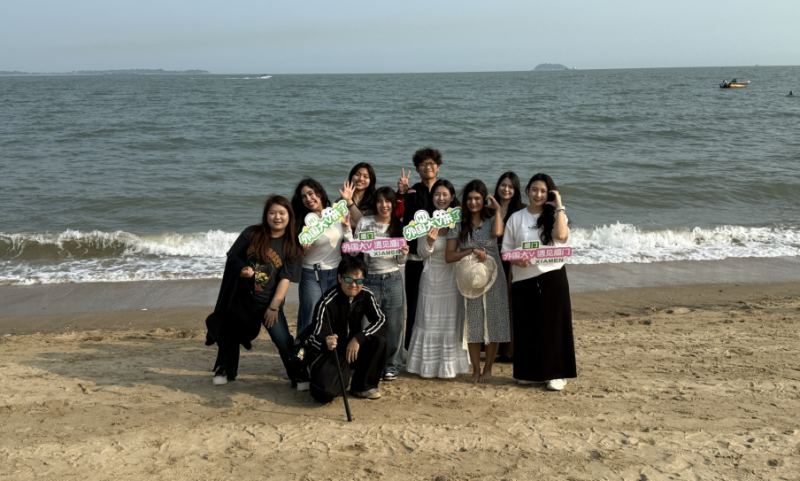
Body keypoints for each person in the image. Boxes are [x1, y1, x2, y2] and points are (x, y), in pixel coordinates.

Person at [207, 195, 306, 389]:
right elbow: (232, 256)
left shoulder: (292, 243)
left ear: (289, 215)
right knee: (229, 333)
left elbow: (285, 279)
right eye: (272, 212)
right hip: (243, 300)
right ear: (266, 214)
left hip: (269, 302)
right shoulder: (252, 233)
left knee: (283, 339)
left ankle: (298, 375)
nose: (277, 217)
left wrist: (274, 307)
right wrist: (242, 270)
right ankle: (224, 369)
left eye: (282, 213)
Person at [502, 173, 576, 392]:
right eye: (534, 189)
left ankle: (557, 374)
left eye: (543, 191)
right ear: (527, 191)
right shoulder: (516, 218)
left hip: (552, 275)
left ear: (549, 194)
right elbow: (506, 250)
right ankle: (529, 373)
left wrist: (559, 206)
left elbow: (561, 237)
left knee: (554, 325)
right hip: (523, 278)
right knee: (527, 325)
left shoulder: (555, 215)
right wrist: (516, 259)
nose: (538, 194)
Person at [445, 180, 510, 383]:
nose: (473, 202)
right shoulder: (458, 223)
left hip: (494, 277)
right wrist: (471, 251)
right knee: (472, 324)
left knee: (494, 322)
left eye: (477, 198)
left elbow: (498, 233)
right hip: (469, 279)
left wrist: (497, 210)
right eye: (470, 199)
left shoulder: (492, 220)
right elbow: (449, 256)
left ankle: (488, 369)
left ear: (484, 200)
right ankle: (475, 370)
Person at [406, 180, 470, 379]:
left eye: (445, 195)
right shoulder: (425, 221)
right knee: (427, 321)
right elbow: (422, 253)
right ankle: (426, 366)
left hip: (452, 280)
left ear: (452, 197)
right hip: (430, 278)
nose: (441, 198)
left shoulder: (458, 221)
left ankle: (449, 367)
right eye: (437, 194)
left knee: (450, 323)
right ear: (431, 197)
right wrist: (429, 242)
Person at [307, 256, 388, 402]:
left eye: (359, 281)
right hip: (333, 351)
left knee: (380, 341)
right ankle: (317, 375)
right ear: (340, 278)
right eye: (349, 280)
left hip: (354, 348)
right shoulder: (327, 301)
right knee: (326, 394)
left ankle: (363, 386)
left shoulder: (366, 295)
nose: (354, 285)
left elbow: (381, 321)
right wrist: (327, 341)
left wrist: (358, 338)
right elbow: (315, 336)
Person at [353, 187, 409, 382]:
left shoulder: (398, 225)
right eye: (380, 201)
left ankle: (392, 365)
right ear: (375, 203)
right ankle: (370, 363)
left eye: (388, 201)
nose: (384, 205)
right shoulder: (365, 222)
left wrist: (403, 254)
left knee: (394, 324)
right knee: (368, 324)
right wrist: (346, 231)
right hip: (369, 279)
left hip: (393, 278)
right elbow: (355, 251)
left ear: (393, 204)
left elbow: (400, 261)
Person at [291, 178, 353, 335]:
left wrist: (347, 228)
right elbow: (295, 254)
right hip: (312, 274)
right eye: (303, 196)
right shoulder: (301, 222)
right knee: (310, 317)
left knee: (332, 317)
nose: (308, 199)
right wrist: (303, 248)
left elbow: (351, 248)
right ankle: (303, 349)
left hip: (336, 274)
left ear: (320, 193)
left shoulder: (335, 213)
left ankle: (328, 351)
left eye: (311, 193)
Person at [396, 147, 442, 350]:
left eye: (431, 163)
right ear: (417, 169)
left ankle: (435, 347)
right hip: (415, 257)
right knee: (414, 304)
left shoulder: (445, 190)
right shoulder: (412, 192)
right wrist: (401, 193)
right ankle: (410, 348)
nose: (427, 167)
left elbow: (457, 216)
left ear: (438, 167)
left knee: (438, 304)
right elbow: (399, 217)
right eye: (423, 164)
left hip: (439, 257)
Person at [493, 172, 527, 363]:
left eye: (511, 186)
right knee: (495, 305)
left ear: (516, 190)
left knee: (513, 304)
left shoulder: (522, 210)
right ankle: (495, 349)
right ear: (498, 186)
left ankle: (511, 350)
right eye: (503, 185)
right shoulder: (489, 207)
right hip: (491, 259)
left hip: (513, 262)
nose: (506, 189)